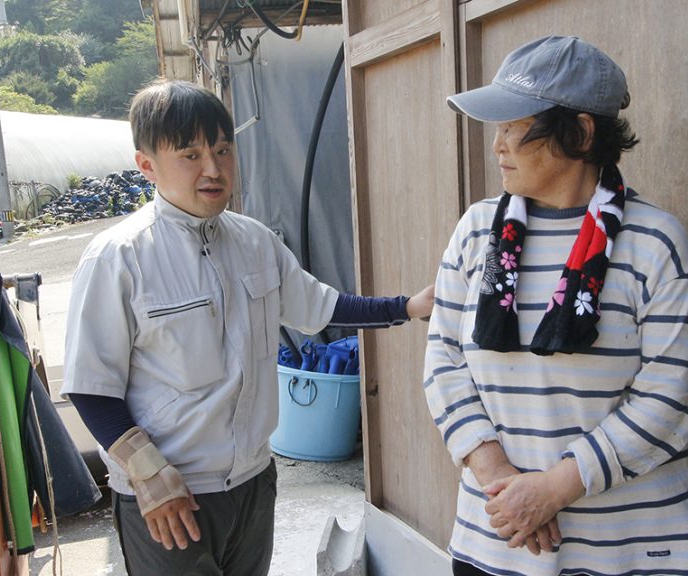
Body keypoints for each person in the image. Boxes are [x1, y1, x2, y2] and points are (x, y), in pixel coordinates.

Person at [62, 79, 434, 576]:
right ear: (147, 165)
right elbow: (92, 388)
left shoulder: (255, 241)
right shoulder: (118, 258)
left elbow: (321, 305)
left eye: (222, 150)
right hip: (173, 496)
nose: (213, 169)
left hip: (253, 482)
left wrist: (407, 306)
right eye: (190, 155)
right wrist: (150, 477)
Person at [424, 36, 688, 576]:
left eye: (513, 125)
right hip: (496, 538)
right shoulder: (476, 232)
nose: (497, 145)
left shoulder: (655, 242)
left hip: (625, 551)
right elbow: (443, 364)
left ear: (579, 131)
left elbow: (670, 400)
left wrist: (553, 490)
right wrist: (501, 479)